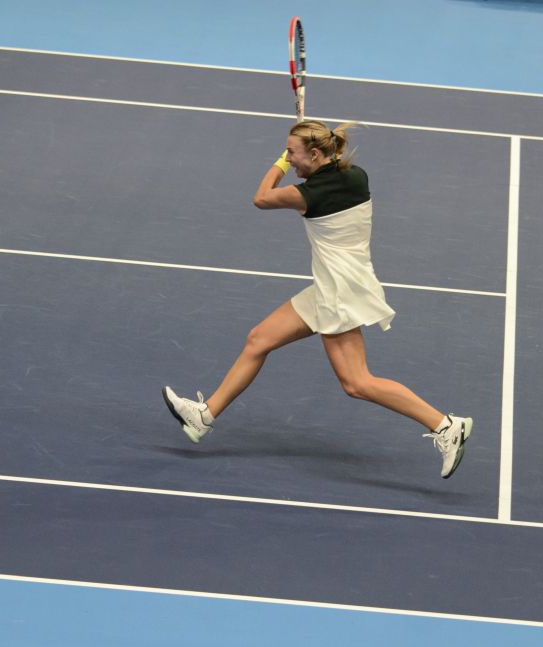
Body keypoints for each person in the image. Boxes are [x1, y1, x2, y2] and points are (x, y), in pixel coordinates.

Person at [163, 120, 472, 479]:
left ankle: (446, 426)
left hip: (337, 293)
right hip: (340, 284)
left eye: (291, 153)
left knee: (357, 383)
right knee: (259, 339)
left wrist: (280, 163)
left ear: (313, 153)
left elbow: (261, 197)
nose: (289, 158)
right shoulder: (356, 175)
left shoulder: (308, 195)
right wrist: (303, 158)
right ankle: (204, 416)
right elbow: (322, 172)